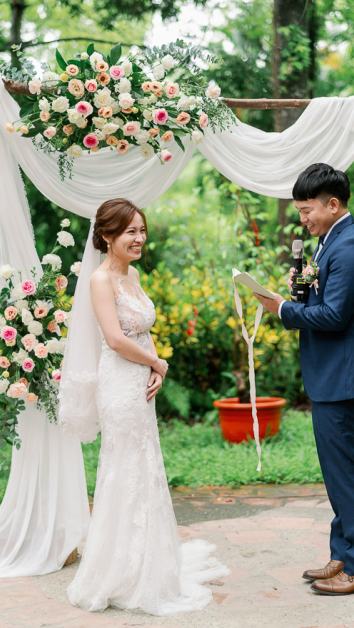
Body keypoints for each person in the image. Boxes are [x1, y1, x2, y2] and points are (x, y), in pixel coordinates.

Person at [67, 198, 228, 615]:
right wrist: (156, 362)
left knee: (146, 466)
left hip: (141, 381)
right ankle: (117, 571)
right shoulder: (100, 280)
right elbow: (117, 339)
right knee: (125, 469)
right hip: (119, 385)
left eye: (141, 229)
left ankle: (147, 564)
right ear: (107, 236)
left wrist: (157, 370)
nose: (139, 238)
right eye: (129, 232)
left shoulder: (133, 274)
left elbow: (142, 331)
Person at [254, 163, 354, 596]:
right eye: (300, 211)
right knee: (337, 473)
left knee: (349, 474)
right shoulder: (329, 242)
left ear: (333, 204)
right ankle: (343, 553)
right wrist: (299, 293)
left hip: (346, 378)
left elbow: (334, 316)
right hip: (331, 375)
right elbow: (325, 301)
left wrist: (282, 309)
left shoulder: (349, 248)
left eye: (308, 210)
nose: (302, 219)